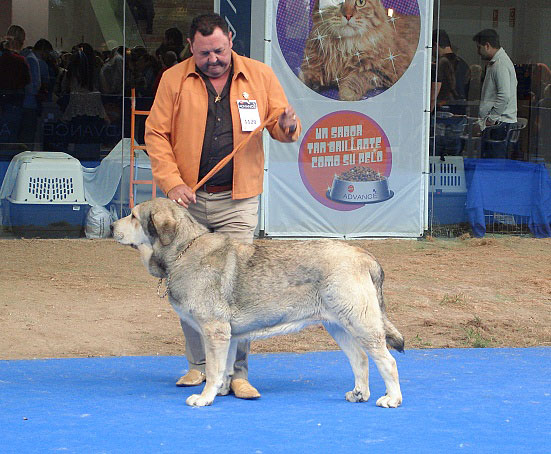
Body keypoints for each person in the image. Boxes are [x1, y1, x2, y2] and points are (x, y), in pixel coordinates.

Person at [145, 13, 301, 399]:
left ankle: (236, 373)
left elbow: (280, 128)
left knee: (239, 288)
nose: (212, 59)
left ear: (230, 39)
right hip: (187, 203)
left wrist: (290, 125)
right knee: (187, 284)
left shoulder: (260, 75)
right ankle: (198, 367)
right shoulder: (173, 79)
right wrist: (172, 183)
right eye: (203, 54)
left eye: (218, 50)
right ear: (190, 47)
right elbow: (156, 135)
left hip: (238, 200)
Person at [473, 29, 518, 158]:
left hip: (498, 125)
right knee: (492, 165)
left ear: (487, 46)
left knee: (493, 165)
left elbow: (504, 95)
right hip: (498, 123)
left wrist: (491, 120)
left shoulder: (500, 64)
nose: (478, 51)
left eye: (479, 47)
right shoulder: (498, 63)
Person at [432, 29, 471, 115]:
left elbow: (435, 91)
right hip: (460, 112)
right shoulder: (464, 64)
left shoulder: (440, 64)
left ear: (435, 45)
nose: (432, 54)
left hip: (442, 112)